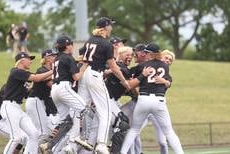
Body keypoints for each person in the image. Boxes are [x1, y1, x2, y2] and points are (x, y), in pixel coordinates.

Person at [77, 17, 130, 154]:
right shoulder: (106, 44)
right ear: (106, 27)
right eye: (110, 26)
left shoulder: (90, 40)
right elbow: (113, 66)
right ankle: (101, 143)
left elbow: (82, 56)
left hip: (85, 73)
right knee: (105, 111)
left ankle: (73, 140)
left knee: (80, 107)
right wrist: (124, 81)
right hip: (95, 74)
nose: (111, 28)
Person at [120, 43, 184, 154]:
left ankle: (123, 152)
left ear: (150, 53)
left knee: (134, 130)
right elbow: (168, 82)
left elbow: (128, 75)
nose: (145, 54)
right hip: (159, 101)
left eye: (147, 52)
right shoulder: (165, 67)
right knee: (169, 132)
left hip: (143, 99)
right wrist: (166, 82)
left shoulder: (142, 66)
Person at [0, 52, 53, 154]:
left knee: (34, 134)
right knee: (16, 138)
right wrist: (54, 70)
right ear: (22, 61)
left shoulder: (21, 75)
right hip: (9, 107)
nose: (30, 61)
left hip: (17, 108)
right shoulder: (16, 71)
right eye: (29, 59)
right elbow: (37, 78)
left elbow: (32, 85)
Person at [50, 35, 89, 153]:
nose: (72, 47)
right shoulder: (68, 57)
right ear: (67, 46)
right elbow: (76, 77)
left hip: (54, 90)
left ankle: (52, 148)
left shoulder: (57, 58)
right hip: (63, 87)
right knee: (83, 108)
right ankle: (74, 138)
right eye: (71, 44)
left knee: (67, 122)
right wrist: (84, 66)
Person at [26, 49, 58, 144]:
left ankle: (29, 149)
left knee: (46, 133)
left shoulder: (50, 71)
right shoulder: (42, 70)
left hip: (40, 103)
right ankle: (28, 150)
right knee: (43, 133)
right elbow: (52, 85)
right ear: (47, 58)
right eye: (53, 56)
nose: (55, 57)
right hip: (35, 101)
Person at [0, 84, 26, 154]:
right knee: (18, 138)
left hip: (9, 121)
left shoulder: (19, 87)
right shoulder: (6, 88)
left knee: (26, 136)